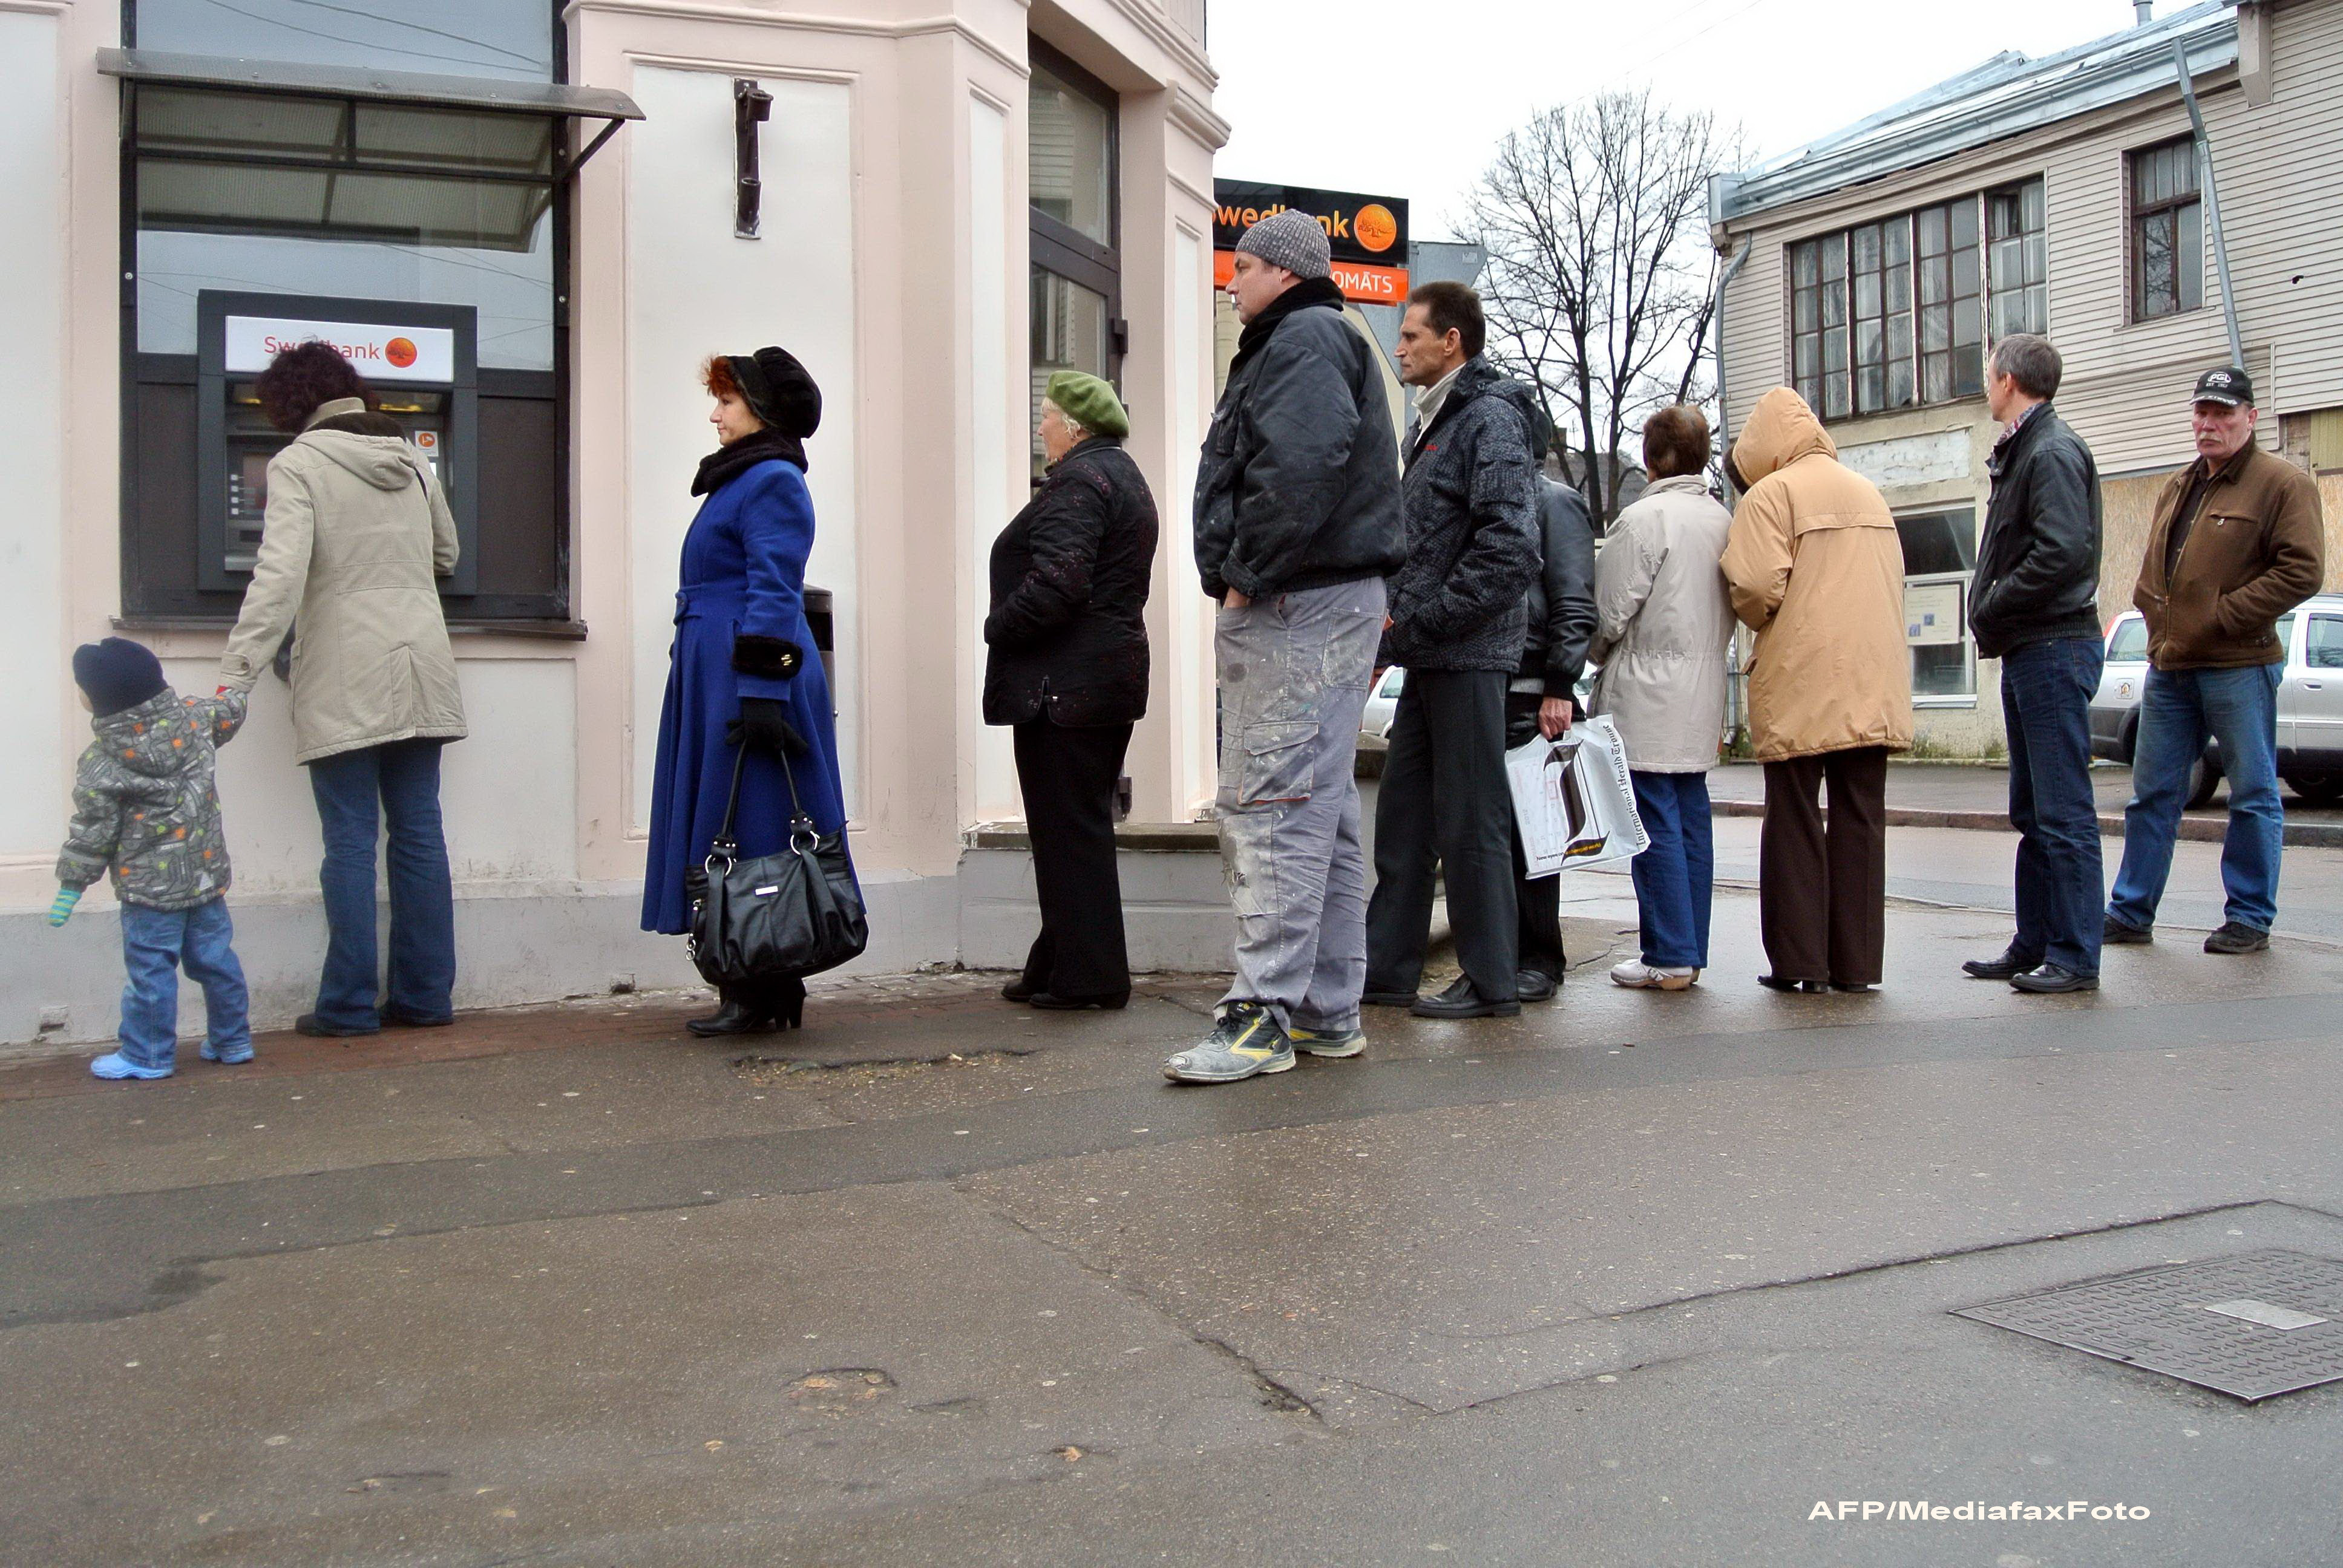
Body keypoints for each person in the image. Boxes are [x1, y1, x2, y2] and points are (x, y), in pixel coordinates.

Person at [1165, 209, 1406, 1084]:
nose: (1231, 285)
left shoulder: (1301, 339)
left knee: (1271, 803)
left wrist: (1247, 573)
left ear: (1280, 271)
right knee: (1323, 813)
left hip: (1298, 602)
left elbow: (1301, 465)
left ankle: (1260, 1017)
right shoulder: (1320, 339)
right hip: (1324, 598)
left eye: (1243, 269)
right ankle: (1324, 1012)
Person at [218, 342, 466, 1038]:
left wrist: (236, 672)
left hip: (344, 668)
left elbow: (278, 577)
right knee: (419, 832)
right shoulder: (412, 458)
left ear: (291, 405)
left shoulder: (298, 463)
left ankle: (349, 1007)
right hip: (420, 663)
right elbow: (447, 554)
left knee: (351, 840)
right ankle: (424, 998)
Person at [642, 347, 847, 1036]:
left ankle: (757, 980)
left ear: (758, 412)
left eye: (726, 402)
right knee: (736, 817)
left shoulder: (771, 480)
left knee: (754, 821)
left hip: (748, 673)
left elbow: (773, 583)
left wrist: (762, 688)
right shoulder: (741, 480)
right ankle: (761, 980)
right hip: (720, 669)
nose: (715, 413)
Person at [1364, 281, 1541, 1020]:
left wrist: (1423, 621)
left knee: (1472, 823)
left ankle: (1492, 981)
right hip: (1429, 655)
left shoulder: (1487, 419)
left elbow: (1510, 547)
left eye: (1409, 336)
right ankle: (1384, 973)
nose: (1398, 347)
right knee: (1403, 818)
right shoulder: (1436, 423)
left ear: (1451, 343)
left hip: (1466, 655)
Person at [2104, 366, 2325, 954]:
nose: (2208, 424)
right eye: (2201, 412)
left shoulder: (2281, 484)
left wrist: (2223, 616)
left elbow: (2301, 571)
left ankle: (2249, 917)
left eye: (2222, 414)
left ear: (2249, 419)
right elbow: (2155, 566)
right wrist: (2152, 618)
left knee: (2252, 794)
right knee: (2151, 794)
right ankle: (2130, 911)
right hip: (2171, 667)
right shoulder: (2179, 484)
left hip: (2238, 664)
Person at [1721, 387, 1913, 994]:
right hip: (1872, 678)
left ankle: (1800, 964)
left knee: (1795, 820)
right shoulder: (1867, 491)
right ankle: (1856, 967)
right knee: (1861, 819)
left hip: (1801, 676)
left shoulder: (1769, 496)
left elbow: (1754, 588)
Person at [985, 371, 1158, 1010]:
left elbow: (1058, 584)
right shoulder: (1120, 475)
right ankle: (1056, 960)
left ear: (1076, 428)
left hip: (1063, 687)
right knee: (1073, 827)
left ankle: (1091, 978)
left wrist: (995, 627)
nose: (1041, 427)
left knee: (1068, 831)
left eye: (1048, 416)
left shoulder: (1080, 483)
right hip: (1099, 680)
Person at [1959, 334, 2107, 995]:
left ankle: (2073, 955)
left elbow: (2062, 554)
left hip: (2051, 646)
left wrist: (1991, 603)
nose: (1984, 384)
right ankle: (2036, 942)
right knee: (2033, 810)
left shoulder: (2049, 450)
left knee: (2062, 812)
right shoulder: (2027, 447)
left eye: (1988, 374)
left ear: (2009, 379)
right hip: (2033, 649)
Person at [53, 638, 252, 1080]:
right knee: (216, 961)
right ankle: (232, 1039)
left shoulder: (102, 762)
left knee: (151, 972)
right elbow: (231, 708)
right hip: (205, 879)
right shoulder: (198, 720)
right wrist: (241, 673)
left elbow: (93, 831)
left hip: (149, 893)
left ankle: (148, 1055)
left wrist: (72, 884)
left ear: (97, 699)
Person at [1590, 405, 1735, 991]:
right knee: (1690, 820)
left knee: (1650, 824)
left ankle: (1667, 953)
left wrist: (1593, 655)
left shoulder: (1643, 519)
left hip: (1646, 693)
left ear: (1651, 457)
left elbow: (1609, 613)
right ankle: (1687, 948)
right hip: (1701, 694)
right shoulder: (1720, 519)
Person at [1505, 408, 1597, 1003]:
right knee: (1504, 835)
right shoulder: (1506, 502)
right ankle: (1509, 955)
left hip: (1534, 689)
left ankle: (1540, 959)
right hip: (1496, 685)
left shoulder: (1553, 503)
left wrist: (1559, 686)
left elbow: (1573, 598)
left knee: (1533, 839)